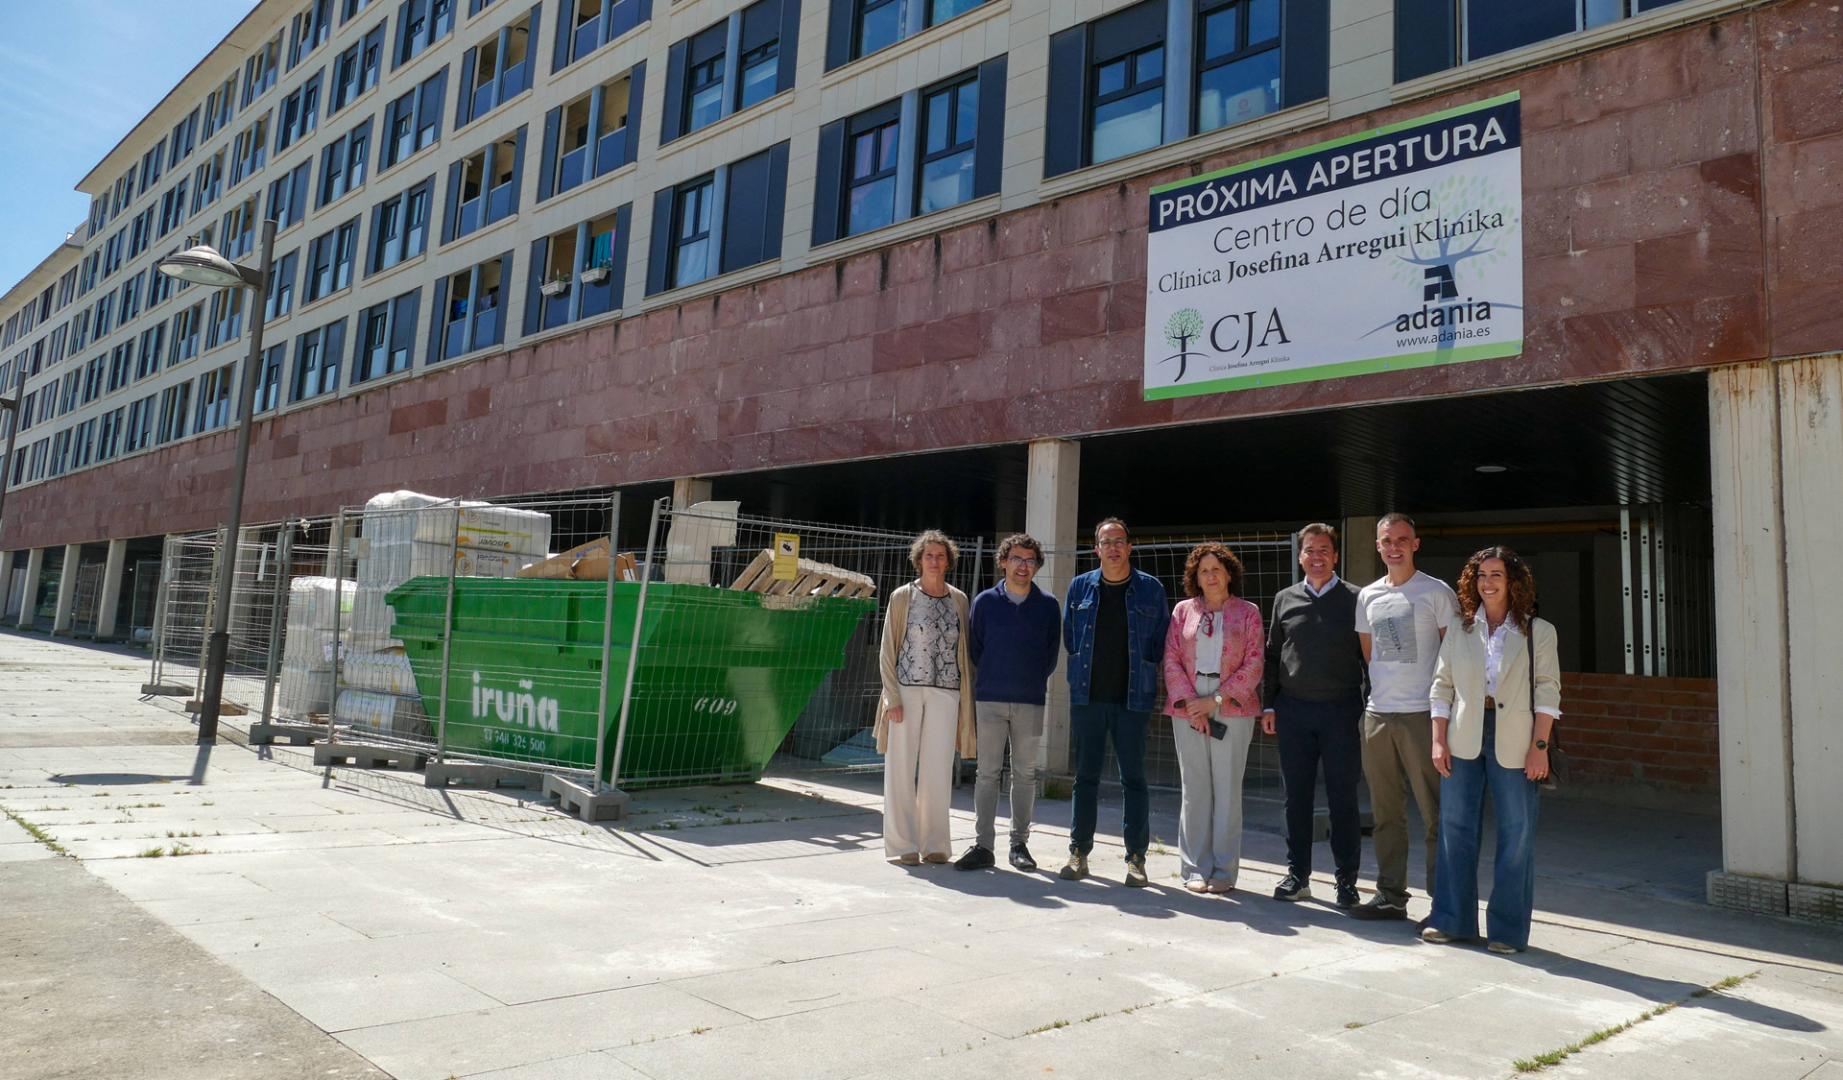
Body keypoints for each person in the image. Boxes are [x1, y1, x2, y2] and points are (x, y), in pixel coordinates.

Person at [1423, 547, 1560, 954]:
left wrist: (1540, 747)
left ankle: (1507, 932)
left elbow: (1548, 691)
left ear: (1513, 581)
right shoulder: (1460, 627)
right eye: (1481, 574)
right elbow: (1441, 687)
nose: (1488, 582)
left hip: (1517, 740)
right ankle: (1452, 921)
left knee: (1516, 835)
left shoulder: (1539, 631)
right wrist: (1437, 738)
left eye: (1497, 574)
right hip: (1463, 736)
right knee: (1455, 829)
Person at [1351, 513, 1458, 921]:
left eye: (1401, 539)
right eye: (1386, 540)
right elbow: (1369, 654)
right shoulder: (1368, 596)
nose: (1393, 546)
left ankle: (1443, 904)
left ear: (1416, 543)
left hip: (1422, 715)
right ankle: (1391, 895)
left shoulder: (1436, 593)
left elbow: (1452, 657)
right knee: (1386, 813)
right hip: (1378, 715)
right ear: (1378, 546)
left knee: (1434, 815)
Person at [1059, 518, 1169, 887]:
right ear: (1096, 548)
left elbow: (1159, 643)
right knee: (1084, 778)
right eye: (1106, 542)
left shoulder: (1151, 590)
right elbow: (1070, 640)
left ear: (1130, 547)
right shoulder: (1080, 587)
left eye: (1120, 541)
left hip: (1132, 699)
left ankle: (1137, 858)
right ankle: (1079, 853)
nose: (1113, 548)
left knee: (1133, 779)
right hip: (1088, 698)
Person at [1261, 523, 1366, 908]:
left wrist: (1367, 709)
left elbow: (1369, 659)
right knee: (1296, 798)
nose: (1317, 557)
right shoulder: (1284, 599)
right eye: (1309, 550)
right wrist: (1269, 704)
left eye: (1324, 550)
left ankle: (1347, 881)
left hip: (1341, 711)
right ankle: (1297, 875)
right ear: (1300, 555)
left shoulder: (1357, 599)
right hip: (1293, 712)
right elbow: (1273, 655)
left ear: (1335, 555)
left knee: (1343, 800)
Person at [1162, 543, 1264, 893]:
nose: (1211, 576)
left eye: (1216, 569)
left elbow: (1255, 662)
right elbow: (1172, 657)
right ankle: (1194, 868)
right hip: (1188, 707)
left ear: (1229, 573)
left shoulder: (1248, 613)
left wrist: (1215, 701)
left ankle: (1223, 871)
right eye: (1204, 570)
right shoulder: (1181, 611)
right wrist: (1193, 703)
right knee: (1195, 789)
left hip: (1231, 708)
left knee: (1227, 790)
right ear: (1196, 577)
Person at [956, 533, 1062, 872]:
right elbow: (975, 649)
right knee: (986, 773)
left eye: (1030, 560)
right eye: (1016, 558)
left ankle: (1019, 845)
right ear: (1003, 561)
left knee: (1025, 774)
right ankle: (983, 845)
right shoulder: (984, 602)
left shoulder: (1048, 606)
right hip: (990, 699)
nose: (1023, 565)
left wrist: (1028, 681)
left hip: (1030, 700)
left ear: (1037, 565)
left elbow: (1049, 656)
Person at [875, 529, 977, 865]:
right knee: (901, 766)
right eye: (928, 555)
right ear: (919, 560)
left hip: (947, 694)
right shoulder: (902, 596)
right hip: (905, 689)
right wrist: (892, 698)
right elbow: (887, 649)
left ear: (949, 561)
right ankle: (903, 844)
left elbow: (964, 653)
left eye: (940, 555)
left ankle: (935, 843)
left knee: (938, 768)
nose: (934, 561)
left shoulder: (960, 600)